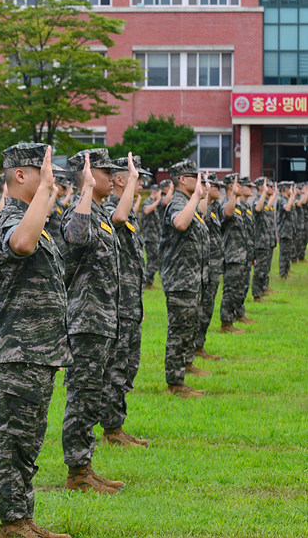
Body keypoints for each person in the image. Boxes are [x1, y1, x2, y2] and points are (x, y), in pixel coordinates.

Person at [0, 142, 71, 538]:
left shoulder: (34, 219)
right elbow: (21, 245)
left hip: (37, 351)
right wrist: (45, 194)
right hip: (18, 350)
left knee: (29, 440)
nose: (51, 179)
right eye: (44, 171)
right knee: (15, 440)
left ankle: (23, 518)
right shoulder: (7, 218)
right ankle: (11, 522)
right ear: (20, 175)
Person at [60, 148, 128, 493]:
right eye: (104, 172)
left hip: (103, 320)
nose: (112, 177)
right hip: (86, 321)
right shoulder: (78, 210)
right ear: (87, 175)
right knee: (82, 394)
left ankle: (85, 466)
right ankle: (78, 472)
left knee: (93, 394)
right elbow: (76, 237)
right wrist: (85, 188)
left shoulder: (101, 211)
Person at [100, 156, 149, 447]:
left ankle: (117, 425)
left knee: (129, 365)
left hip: (130, 302)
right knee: (116, 367)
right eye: (134, 177)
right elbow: (117, 218)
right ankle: (111, 430)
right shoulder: (110, 209)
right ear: (121, 180)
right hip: (115, 303)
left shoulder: (129, 212)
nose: (140, 182)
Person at [159, 160, 209, 398]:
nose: (198, 180)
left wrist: (200, 198)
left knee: (188, 329)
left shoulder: (189, 203)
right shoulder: (176, 204)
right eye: (194, 176)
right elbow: (180, 223)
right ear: (182, 179)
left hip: (192, 279)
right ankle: (175, 383)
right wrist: (196, 199)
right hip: (180, 281)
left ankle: (185, 368)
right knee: (179, 332)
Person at [195, 172, 224, 360]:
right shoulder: (200, 205)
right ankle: (195, 348)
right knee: (201, 308)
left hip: (214, 263)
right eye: (215, 185)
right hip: (204, 265)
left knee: (208, 307)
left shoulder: (215, 207)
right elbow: (201, 216)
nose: (218, 189)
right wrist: (204, 192)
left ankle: (199, 346)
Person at [219, 174, 251, 333]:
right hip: (232, 255)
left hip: (241, 255)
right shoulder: (226, 203)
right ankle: (226, 323)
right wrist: (233, 196)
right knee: (230, 291)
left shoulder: (239, 207)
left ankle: (233, 318)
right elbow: (227, 213)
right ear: (231, 186)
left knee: (238, 289)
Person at [250, 177, 276, 302]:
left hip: (267, 241)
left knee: (265, 267)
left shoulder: (265, 202)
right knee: (260, 269)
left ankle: (263, 288)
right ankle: (257, 294)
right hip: (260, 241)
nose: (271, 188)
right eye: (268, 186)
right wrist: (266, 193)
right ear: (261, 187)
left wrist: (272, 195)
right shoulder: (257, 201)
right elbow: (258, 209)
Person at [276, 181, 298, 279]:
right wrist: (292, 198)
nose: (292, 190)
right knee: (284, 253)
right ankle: (283, 274)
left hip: (289, 231)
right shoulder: (282, 200)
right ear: (284, 189)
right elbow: (287, 208)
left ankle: (286, 271)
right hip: (284, 231)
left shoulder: (287, 199)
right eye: (290, 188)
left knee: (288, 253)